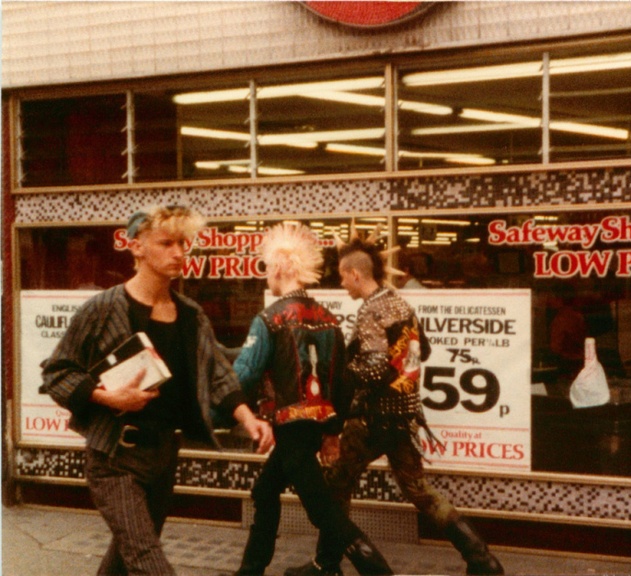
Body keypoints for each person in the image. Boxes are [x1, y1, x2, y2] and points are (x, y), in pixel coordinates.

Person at [42, 205, 274, 575]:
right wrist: (107, 397)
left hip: (164, 455)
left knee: (126, 557)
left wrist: (248, 419)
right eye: (166, 243)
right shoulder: (102, 309)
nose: (179, 252)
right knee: (149, 561)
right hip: (115, 458)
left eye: (184, 243)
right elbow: (56, 373)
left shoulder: (190, 314)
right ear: (136, 247)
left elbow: (216, 373)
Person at [287, 233, 504, 576]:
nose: (342, 284)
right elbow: (422, 352)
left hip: (372, 418)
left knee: (335, 484)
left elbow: (372, 367)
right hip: (403, 417)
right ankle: (482, 559)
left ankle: (328, 564)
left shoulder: (373, 310)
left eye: (343, 277)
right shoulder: (401, 305)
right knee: (420, 491)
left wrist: (339, 379)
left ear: (356, 275)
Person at [231, 223, 393, 576]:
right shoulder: (329, 319)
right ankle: (249, 570)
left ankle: (378, 571)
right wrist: (332, 431)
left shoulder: (269, 319)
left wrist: (222, 396)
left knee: (322, 510)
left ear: (277, 267)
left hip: (288, 428)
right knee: (265, 491)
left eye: (266, 268)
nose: (266, 276)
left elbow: (244, 375)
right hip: (314, 425)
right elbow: (341, 384)